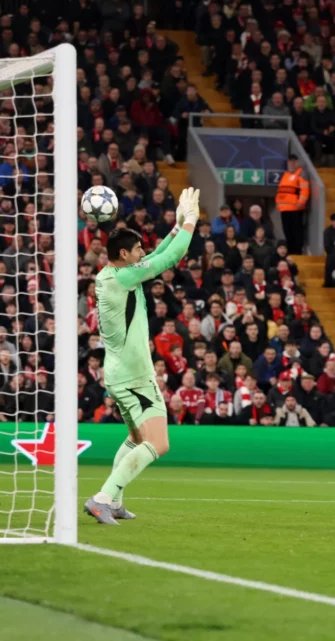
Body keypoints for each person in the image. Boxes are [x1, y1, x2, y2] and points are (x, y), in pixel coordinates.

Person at [84, 187, 201, 524]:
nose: (142, 252)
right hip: (135, 375)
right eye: (137, 249)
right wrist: (192, 220)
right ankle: (103, 498)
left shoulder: (113, 274)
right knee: (158, 443)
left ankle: (114, 500)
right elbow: (168, 258)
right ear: (123, 253)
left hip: (120, 372)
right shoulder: (124, 276)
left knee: (136, 438)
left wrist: (177, 226)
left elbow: (157, 253)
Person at [275, 154, 310, 255]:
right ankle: (289, 252)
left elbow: (305, 189)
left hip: (295, 209)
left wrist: (301, 202)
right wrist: (278, 203)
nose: (292, 163)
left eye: (294, 161)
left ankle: (297, 253)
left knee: (296, 232)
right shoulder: (285, 175)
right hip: (284, 209)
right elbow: (281, 190)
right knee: (287, 232)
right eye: (290, 161)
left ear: (298, 162)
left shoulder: (301, 173)